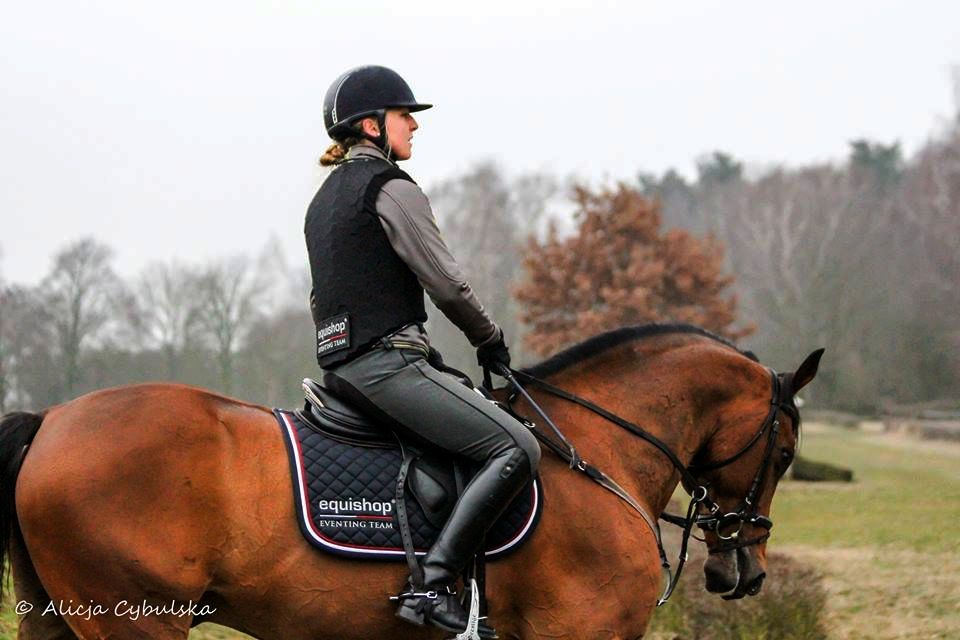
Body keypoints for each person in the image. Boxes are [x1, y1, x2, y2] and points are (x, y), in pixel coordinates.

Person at [305, 65, 541, 638]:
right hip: (387, 364)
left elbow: (321, 297)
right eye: (403, 114)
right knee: (516, 446)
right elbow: (446, 281)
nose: (413, 124)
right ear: (370, 125)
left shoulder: (322, 202)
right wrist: (490, 341)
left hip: (341, 366)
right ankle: (432, 585)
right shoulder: (390, 187)